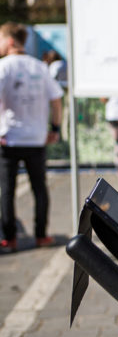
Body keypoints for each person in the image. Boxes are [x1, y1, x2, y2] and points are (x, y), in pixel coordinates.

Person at [0, 22, 64, 252]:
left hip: (9, 139)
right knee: (39, 188)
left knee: (7, 190)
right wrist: (55, 128)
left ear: (9, 41)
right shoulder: (40, 67)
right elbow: (56, 99)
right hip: (37, 138)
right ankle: (41, 235)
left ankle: (9, 238)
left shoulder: (3, 67)